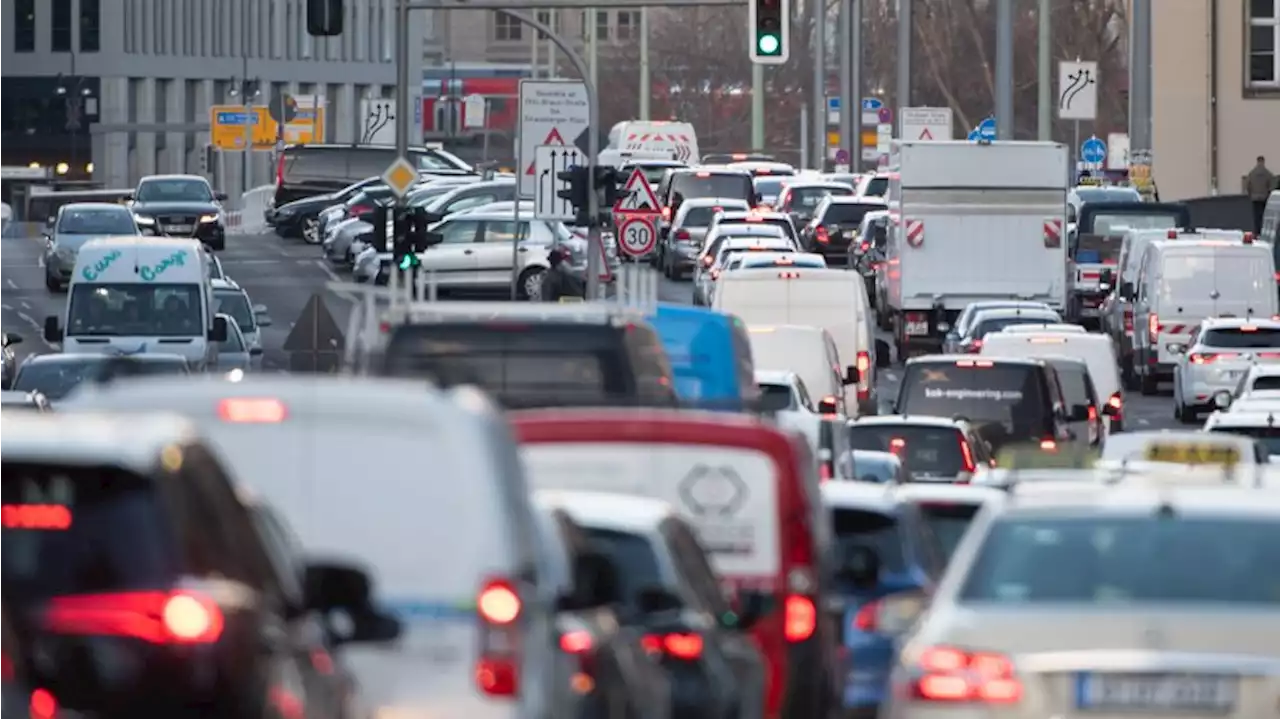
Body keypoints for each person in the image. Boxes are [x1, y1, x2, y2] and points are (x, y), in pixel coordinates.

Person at [1246, 156, 1276, 234]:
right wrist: (1268, 194)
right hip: (1264, 198)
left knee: (1256, 216)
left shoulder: (1252, 173)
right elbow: (1272, 185)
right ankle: (1264, 231)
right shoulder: (1267, 173)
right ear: (1263, 162)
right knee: (1264, 216)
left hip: (1255, 198)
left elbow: (1248, 185)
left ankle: (1257, 231)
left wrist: (1251, 194)